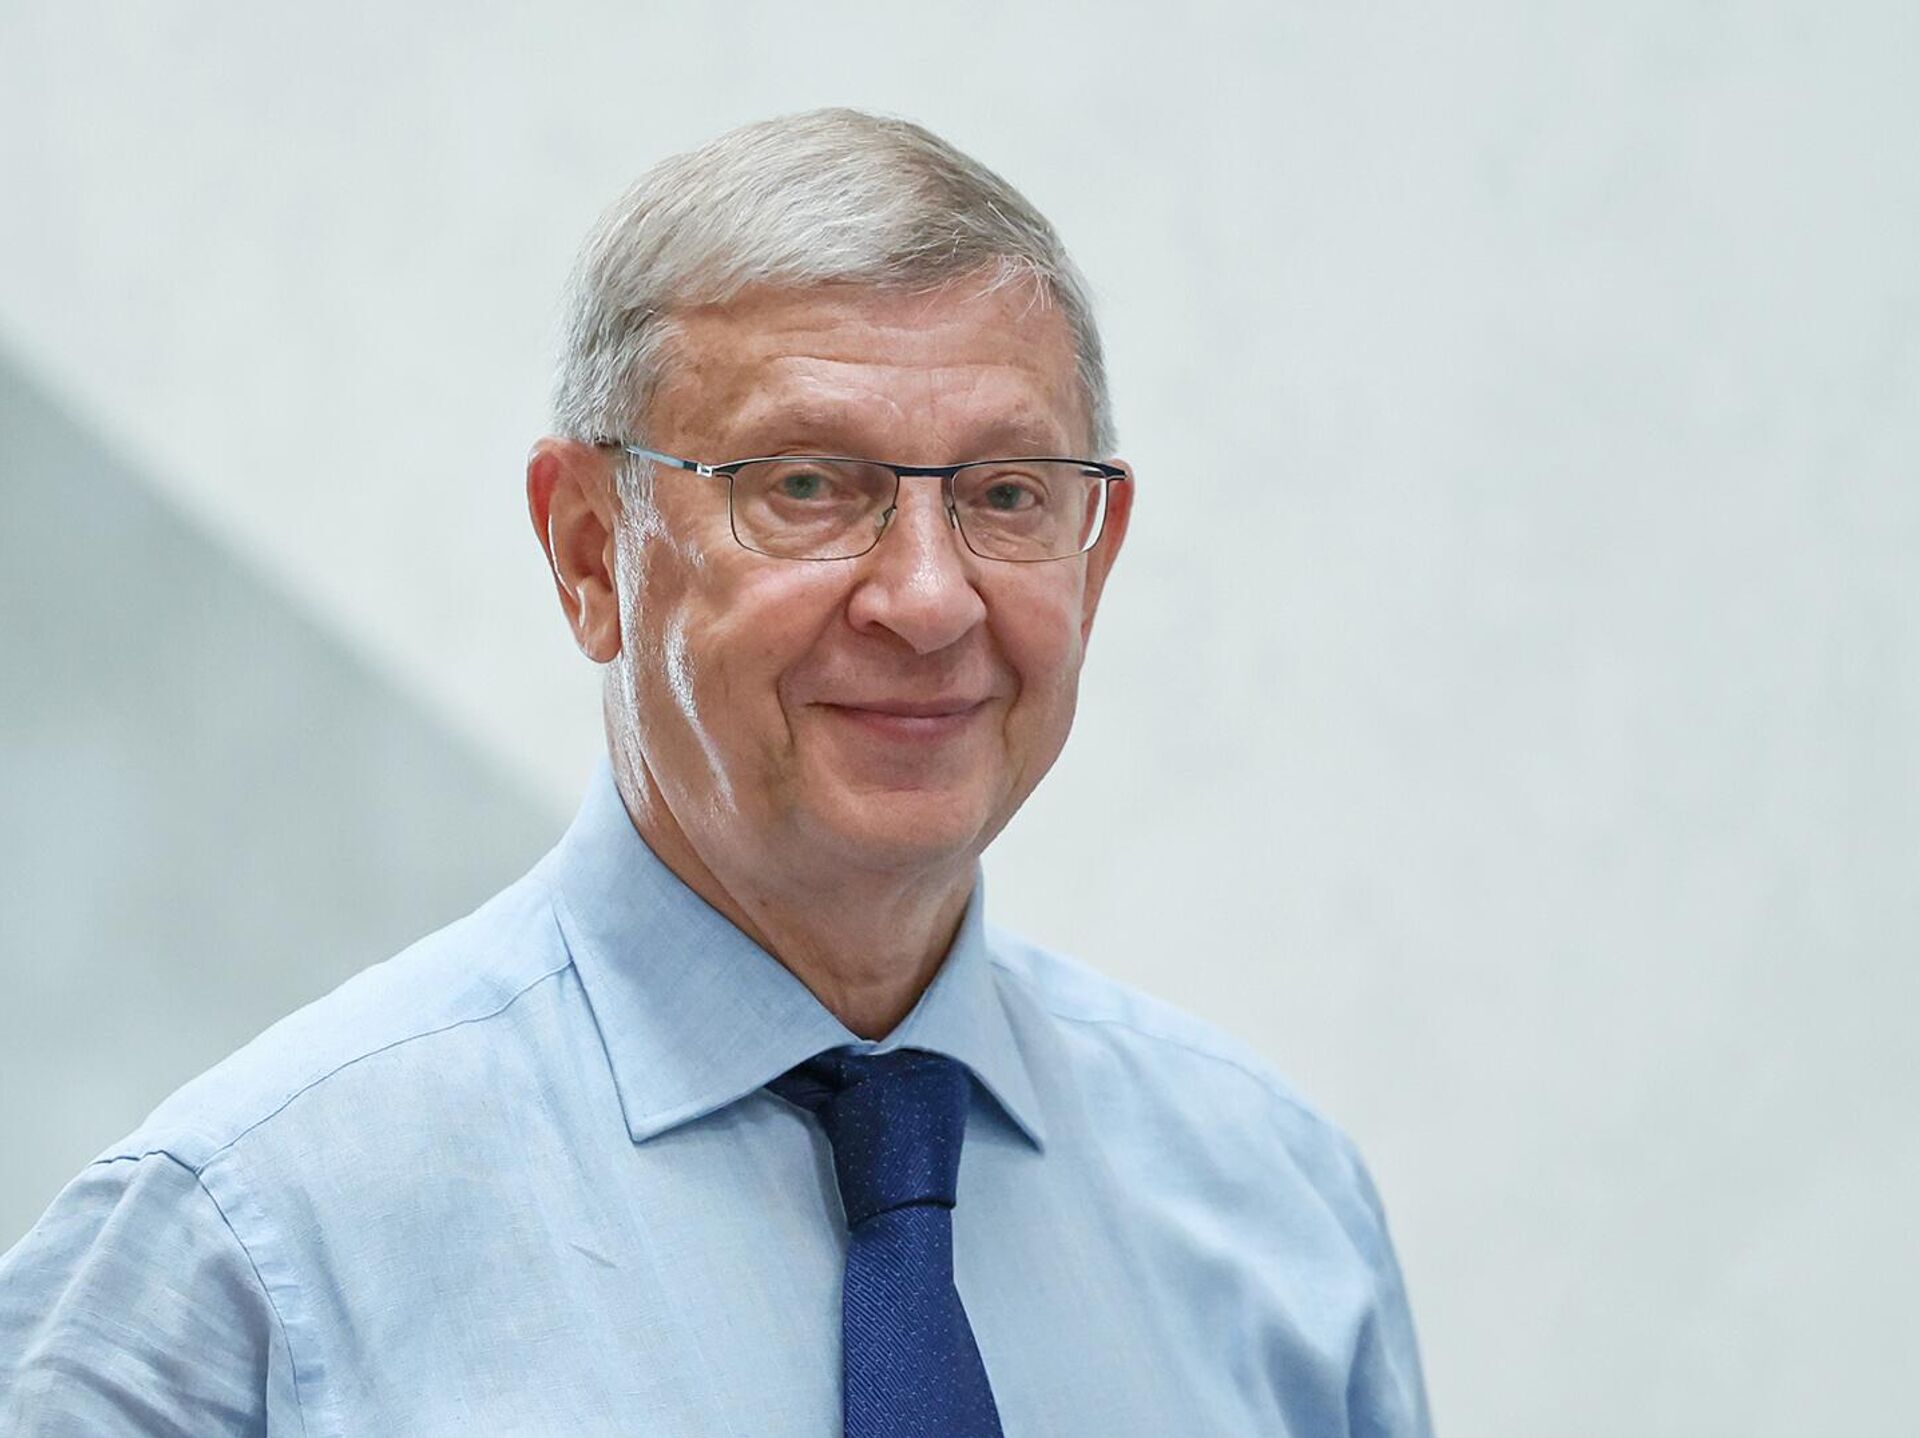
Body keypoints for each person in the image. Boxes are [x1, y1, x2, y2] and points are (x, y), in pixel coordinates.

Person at [0, 109, 1432, 1436]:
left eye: (1006, 496)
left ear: (1093, 560)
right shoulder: (238, 1256)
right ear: (588, 552)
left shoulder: (1279, 1218)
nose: (928, 600)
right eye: (806, 485)